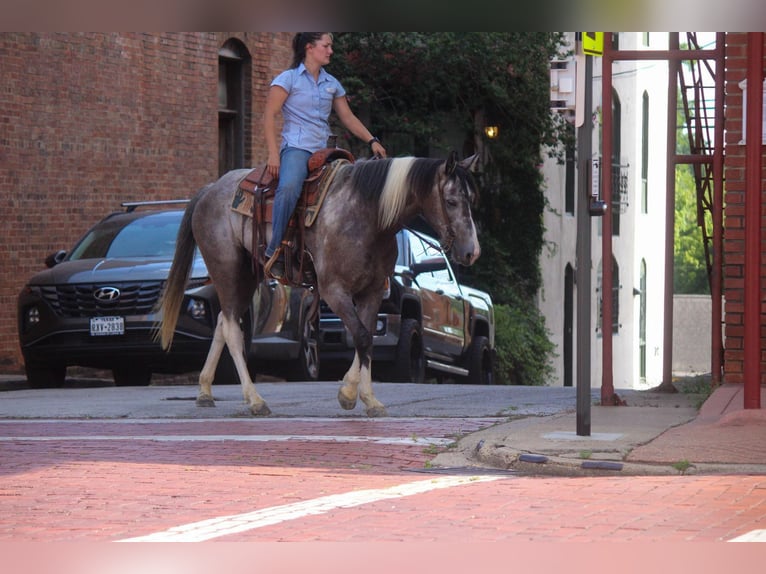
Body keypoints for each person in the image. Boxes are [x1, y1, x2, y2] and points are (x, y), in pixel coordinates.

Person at [263, 32, 387, 279]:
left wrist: (371, 139)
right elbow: (268, 116)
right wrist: (273, 155)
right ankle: (274, 249)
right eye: (326, 46)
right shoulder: (287, 80)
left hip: (326, 149)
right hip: (298, 148)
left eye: (331, 46)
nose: (330, 51)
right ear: (310, 48)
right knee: (288, 189)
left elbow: (348, 117)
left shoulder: (332, 83)